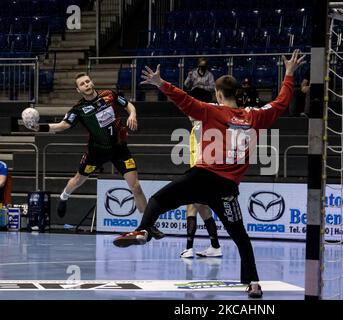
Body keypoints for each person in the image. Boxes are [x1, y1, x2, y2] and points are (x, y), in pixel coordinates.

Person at [113, 49, 305, 298]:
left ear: (217, 94)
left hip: (201, 178)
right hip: (227, 188)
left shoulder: (211, 110)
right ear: (238, 93)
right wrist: (289, 73)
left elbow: (184, 100)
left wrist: (161, 83)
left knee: (158, 201)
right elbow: (281, 103)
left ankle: (144, 229)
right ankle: (254, 283)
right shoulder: (256, 116)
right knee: (240, 237)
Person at [25, 73, 164, 239]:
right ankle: (64, 196)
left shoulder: (109, 95)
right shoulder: (79, 109)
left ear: (92, 82)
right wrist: (38, 128)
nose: (86, 84)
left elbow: (129, 105)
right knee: (78, 180)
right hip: (96, 151)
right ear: (78, 90)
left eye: (87, 81)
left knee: (136, 187)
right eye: (82, 84)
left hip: (119, 148)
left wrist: (132, 115)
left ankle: (149, 225)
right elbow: (62, 126)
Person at [180, 117, 222, 259]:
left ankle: (189, 248)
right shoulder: (201, 126)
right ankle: (215, 246)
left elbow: (202, 152)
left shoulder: (199, 128)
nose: (189, 114)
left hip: (199, 173)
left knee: (192, 208)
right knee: (203, 210)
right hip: (202, 173)